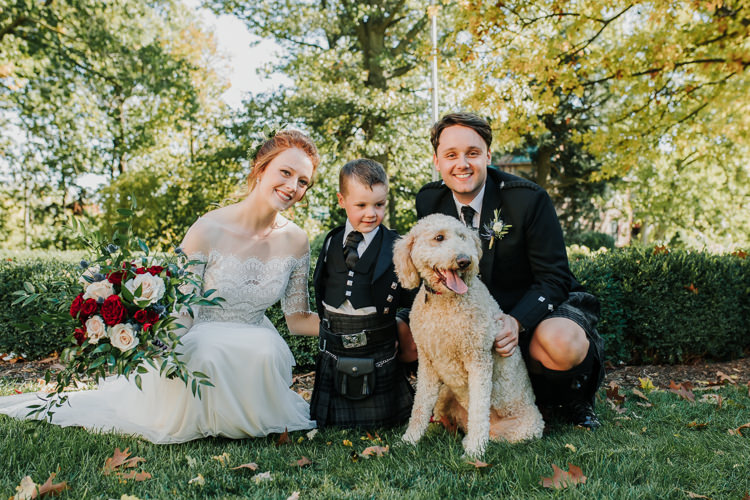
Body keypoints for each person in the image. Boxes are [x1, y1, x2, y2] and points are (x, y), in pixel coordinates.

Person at [0, 130, 322, 443]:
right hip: (200, 338)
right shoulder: (208, 229)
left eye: (303, 181)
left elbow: (297, 320)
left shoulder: (296, 241)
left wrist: (357, 325)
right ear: (261, 169)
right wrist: (158, 353)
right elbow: (182, 307)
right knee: (210, 350)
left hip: (256, 340)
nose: (292, 186)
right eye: (286, 172)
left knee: (265, 350)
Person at [415, 112, 605, 429]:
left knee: (561, 342)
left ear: (488, 156)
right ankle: (452, 400)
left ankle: (571, 399)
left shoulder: (528, 199)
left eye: (472, 153)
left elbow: (555, 278)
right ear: (437, 161)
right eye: (451, 155)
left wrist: (516, 321)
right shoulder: (429, 199)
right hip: (474, 310)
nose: (462, 164)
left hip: (538, 306)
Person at [310, 158, 417, 428]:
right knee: (328, 420)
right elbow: (321, 284)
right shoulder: (333, 240)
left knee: (384, 419)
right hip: (335, 338)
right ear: (341, 200)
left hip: (377, 337)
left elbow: (413, 298)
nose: (371, 213)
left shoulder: (397, 245)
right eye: (361, 205)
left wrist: (400, 327)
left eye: (379, 205)